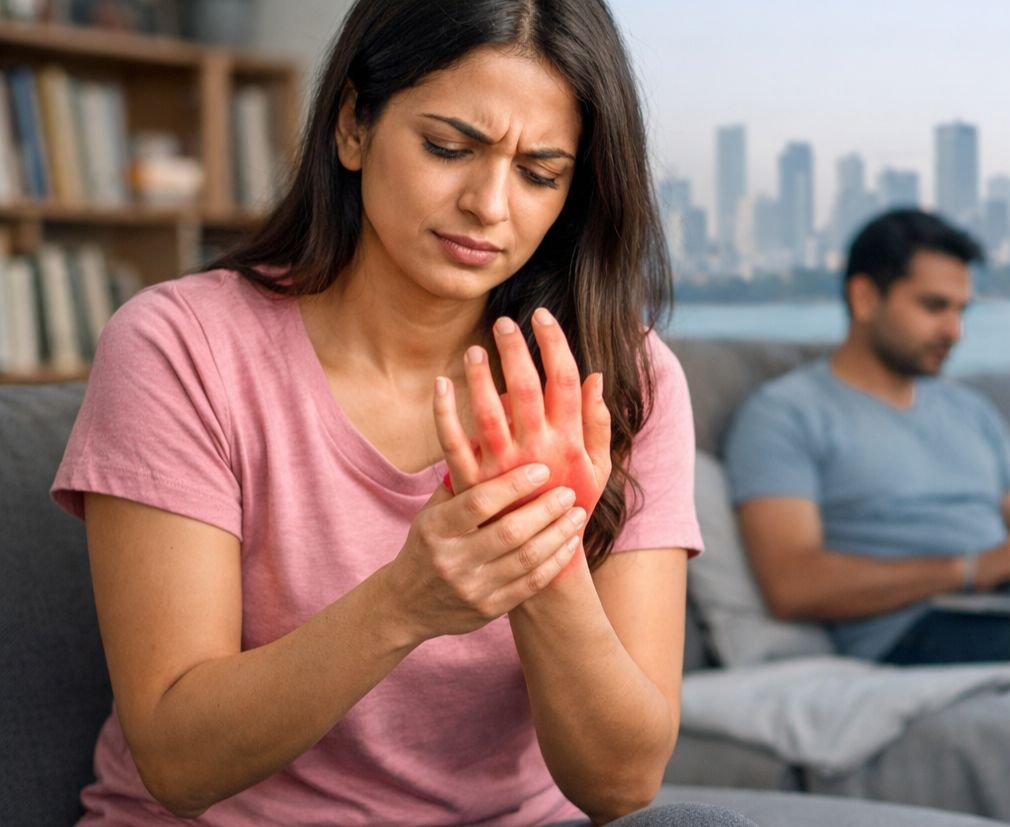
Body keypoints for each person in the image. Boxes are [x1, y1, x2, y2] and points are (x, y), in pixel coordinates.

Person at [49, 1, 755, 824]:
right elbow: (175, 757)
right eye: (449, 148)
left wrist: (543, 564)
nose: (490, 204)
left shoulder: (623, 378)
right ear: (353, 125)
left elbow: (620, 785)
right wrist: (407, 601)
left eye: (540, 172)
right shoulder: (182, 347)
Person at [722, 209, 1010, 665]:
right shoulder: (784, 414)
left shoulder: (971, 410)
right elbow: (792, 584)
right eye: (933, 306)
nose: (954, 331)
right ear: (865, 298)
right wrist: (970, 569)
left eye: (961, 310)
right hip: (914, 629)